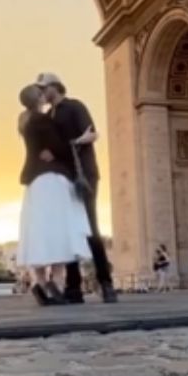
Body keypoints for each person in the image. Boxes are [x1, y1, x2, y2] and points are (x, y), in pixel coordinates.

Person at [36, 71, 116, 304]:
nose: (41, 92)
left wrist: (73, 143)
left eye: (44, 88)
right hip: (63, 178)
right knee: (69, 231)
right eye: (39, 90)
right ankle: (73, 288)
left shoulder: (75, 106)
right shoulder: (48, 115)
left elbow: (92, 134)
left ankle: (106, 282)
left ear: (56, 87)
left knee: (90, 226)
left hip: (84, 175)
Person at [16, 83, 91, 306]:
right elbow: (58, 147)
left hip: (33, 181)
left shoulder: (25, 122)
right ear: (39, 98)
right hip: (53, 178)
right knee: (59, 230)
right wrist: (80, 139)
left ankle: (39, 282)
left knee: (39, 231)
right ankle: (56, 284)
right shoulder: (43, 120)